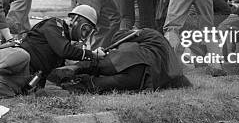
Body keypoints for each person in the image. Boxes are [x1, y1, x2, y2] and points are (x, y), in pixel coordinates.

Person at [0, 5, 103, 96]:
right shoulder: (54, 24)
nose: (85, 34)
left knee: (14, 92)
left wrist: (33, 87)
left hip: (23, 74)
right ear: (75, 20)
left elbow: (49, 70)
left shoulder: (65, 47)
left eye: (89, 31)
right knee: (22, 55)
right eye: (86, 28)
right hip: (14, 60)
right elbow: (64, 50)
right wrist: (91, 54)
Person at [49, 28, 192, 93]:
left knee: (100, 64)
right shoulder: (174, 66)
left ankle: (77, 68)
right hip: (144, 80)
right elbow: (185, 83)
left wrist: (109, 50)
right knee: (97, 84)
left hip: (134, 59)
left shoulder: (141, 35)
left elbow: (121, 40)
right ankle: (79, 84)